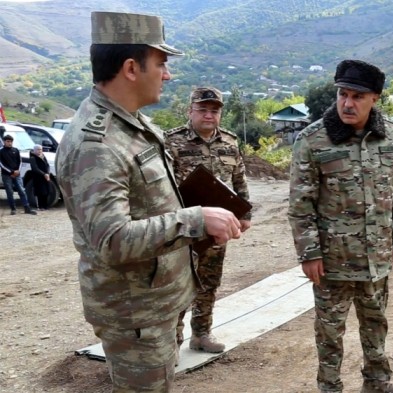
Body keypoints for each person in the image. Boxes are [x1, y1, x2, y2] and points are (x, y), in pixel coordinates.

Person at [55, 11, 241, 392]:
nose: (167, 75)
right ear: (130, 67)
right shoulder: (99, 143)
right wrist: (195, 221)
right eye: (161, 63)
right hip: (135, 312)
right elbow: (110, 239)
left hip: (155, 304)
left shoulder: (132, 126)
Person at [288, 59, 393, 393]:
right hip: (333, 262)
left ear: (375, 98)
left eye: (357, 96)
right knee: (329, 331)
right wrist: (309, 253)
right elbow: (300, 205)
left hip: (377, 255)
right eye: (343, 94)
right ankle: (330, 386)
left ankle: (377, 381)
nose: (347, 103)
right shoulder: (313, 140)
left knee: (376, 322)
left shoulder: (391, 134)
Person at [166, 87, 252, 353]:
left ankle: (201, 334)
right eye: (202, 109)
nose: (208, 115)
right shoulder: (172, 141)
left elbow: (239, 177)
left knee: (209, 281)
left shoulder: (229, 142)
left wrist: (245, 213)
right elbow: (164, 186)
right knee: (179, 283)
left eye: (214, 111)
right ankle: (173, 341)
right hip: (185, 226)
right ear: (190, 111)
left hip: (218, 227)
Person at [0, 134, 37, 215]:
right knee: (10, 192)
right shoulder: (1, 151)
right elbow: (2, 164)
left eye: (11, 141)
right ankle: (13, 209)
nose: (9, 143)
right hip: (7, 175)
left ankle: (27, 208)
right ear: (4, 142)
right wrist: (11, 172)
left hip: (17, 174)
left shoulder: (16, 150)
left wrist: (17, 171)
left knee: (22, 191)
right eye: (8, 141)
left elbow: (20, 161)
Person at [29, 145, 51, 210]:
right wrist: (44, 174)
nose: (40, 151)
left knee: (46, 191)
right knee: (40, 192)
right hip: (38, 177)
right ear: (35, 150)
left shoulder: (43, 156)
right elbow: (35, 168)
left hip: (46, 176)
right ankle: (40, 206)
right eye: (38, 149)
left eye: (41, 149)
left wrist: (48, 173)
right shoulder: (32, 158)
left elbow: (47, 165)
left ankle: (46, 205)